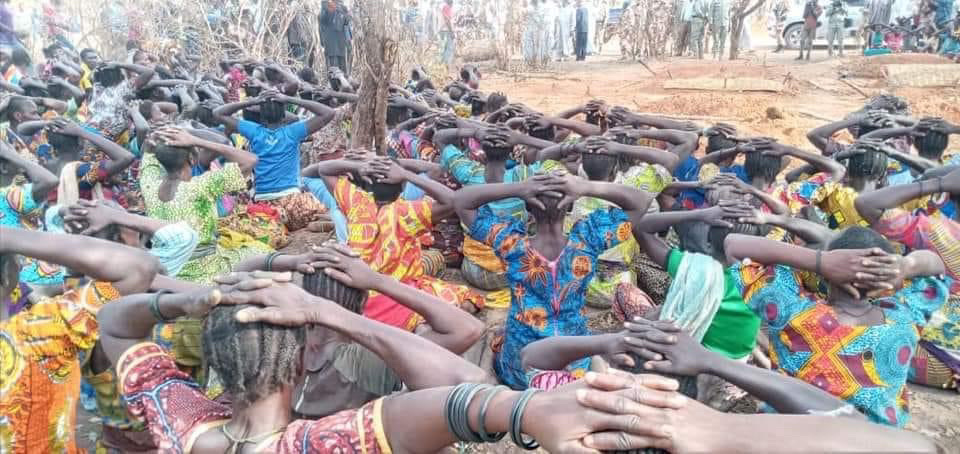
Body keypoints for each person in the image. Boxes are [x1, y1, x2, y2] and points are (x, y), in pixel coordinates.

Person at [233, 243, 486, 419]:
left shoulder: (277, 343)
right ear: (364, 302)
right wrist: (378, 280)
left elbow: (240, 268)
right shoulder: (372, 360)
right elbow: (468, 329)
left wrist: (293, 261)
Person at [454, 172, 655, 389]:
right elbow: (641, 201)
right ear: (569, 207)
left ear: (528, 207)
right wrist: (584, 186)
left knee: (501, 339)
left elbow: (461, 201)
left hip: (522, 366)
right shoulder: (588, 240)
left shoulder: (511, 243)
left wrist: (520, 187)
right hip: (575, 360)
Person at [726, 230, 948, 426]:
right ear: (888, 281)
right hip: (877, 444)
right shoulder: (905, 319)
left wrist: (820, 260)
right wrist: (905, 265)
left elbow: (733, 244)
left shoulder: (791, 311)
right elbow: (937, 268)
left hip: (789, 439)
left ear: (828, 273)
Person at [0, 227, 158, 454]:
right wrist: (8, 235)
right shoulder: (40, 333)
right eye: (16, 258)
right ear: (6, 276)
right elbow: (140, 269)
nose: (23, 265)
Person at [302, 153, 484, 329]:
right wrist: (405, 173)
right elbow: (453, 200)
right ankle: (422, 327)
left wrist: (359, 165)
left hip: (356, 292)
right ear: (403, 186)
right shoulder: (409, 212)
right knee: (468, 298)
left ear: (367, 183)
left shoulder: (355, 202)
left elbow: (324, 169)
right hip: (398, 293)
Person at [855, 167, 960, 391]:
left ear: (947, 197)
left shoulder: (941, 232)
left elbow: (866, 203)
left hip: (927, 360)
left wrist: (937, 184)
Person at [139, 127, 269, 284]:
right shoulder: (201, 186)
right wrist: (195, 140)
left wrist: (154, 138)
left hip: (167, 272)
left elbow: (147, 154)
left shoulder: (148, 185)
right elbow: (251, 160)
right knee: (262, 252)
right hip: (205, 271)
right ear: (193, 159)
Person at [212, 89, 332, 233]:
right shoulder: (293, 132)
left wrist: (251, 101)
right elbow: (328, 113)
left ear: (261, 118)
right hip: (295, 204)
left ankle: (283, 227)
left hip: (265, 207)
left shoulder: (254, 131)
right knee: (324, 207)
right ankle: (314, 223)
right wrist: (289, 98)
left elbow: (218, 113)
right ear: (284, 116)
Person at [319, 0, 351, 73]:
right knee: (333, 69)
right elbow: (322, 19)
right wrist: (329, 8)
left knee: (343, 67)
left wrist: (345, 12)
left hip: (341, 43)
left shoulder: (342, 6)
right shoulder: (325, 4)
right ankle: (334, 83)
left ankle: (344, 82)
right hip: (331, 44)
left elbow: (346, 22)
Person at [439, 0, 456, 66]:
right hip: (447, 31)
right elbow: (447, 20)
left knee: (443, 49)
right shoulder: (446, 7)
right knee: (449, 49)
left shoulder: (441, 6)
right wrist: (452, 31)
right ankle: (446, 65)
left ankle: (441, 66)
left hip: (442, 30)